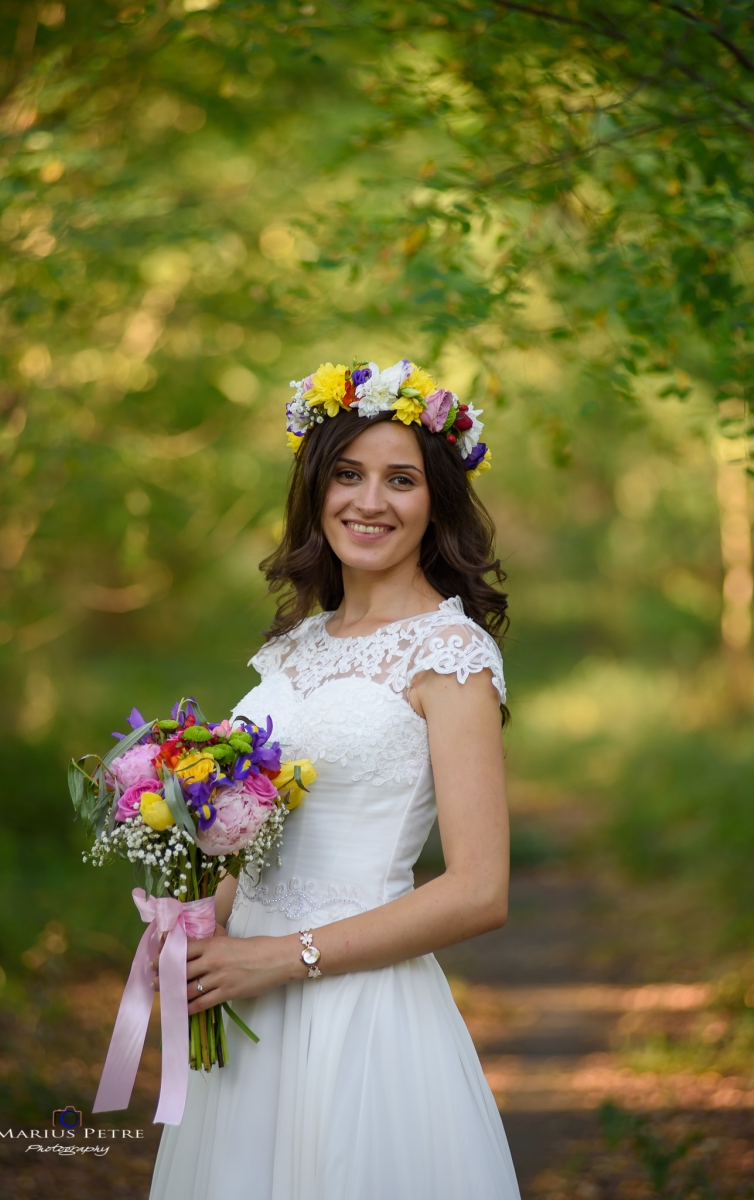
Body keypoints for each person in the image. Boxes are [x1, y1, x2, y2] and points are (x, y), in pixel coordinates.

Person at [150, 359, 521, 1200]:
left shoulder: (450, 655)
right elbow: (261, 841)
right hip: (247, 1013)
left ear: (435, 504)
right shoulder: (291, 649)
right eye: (347, 474)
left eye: (401, 480)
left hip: (357, 1013)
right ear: (316, 488)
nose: (369, 501)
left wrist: (283, 958)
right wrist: (192, 926)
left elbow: (478, 891)